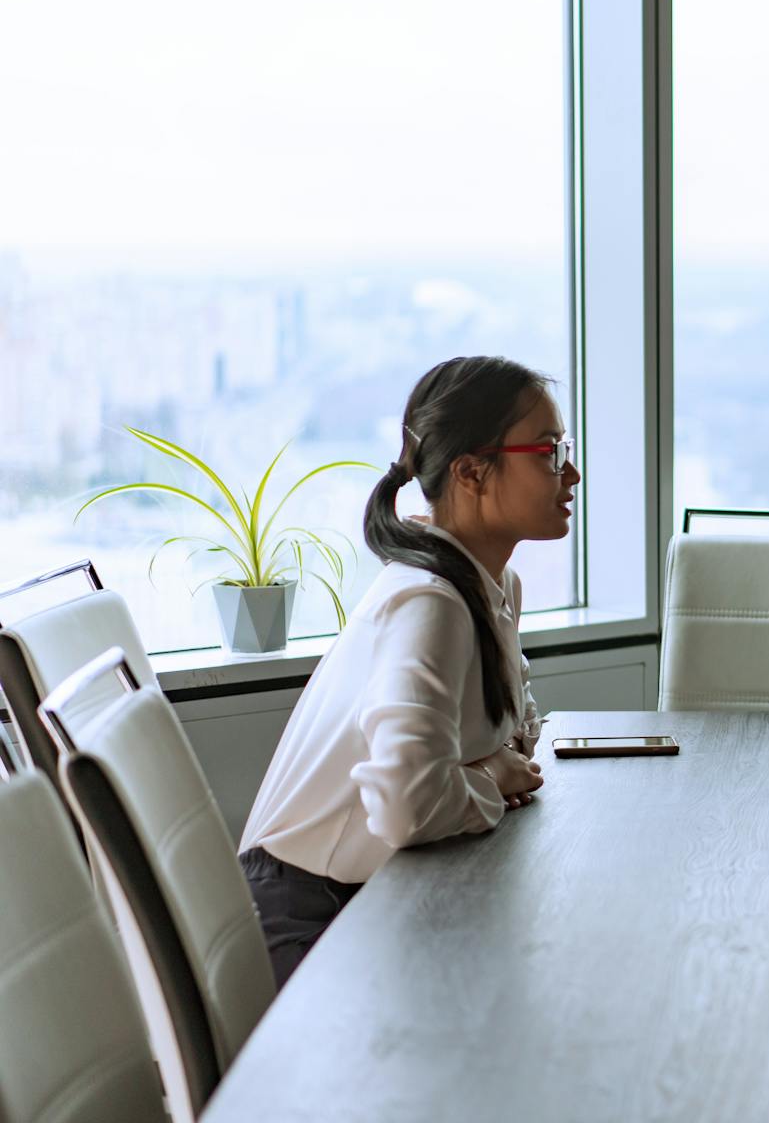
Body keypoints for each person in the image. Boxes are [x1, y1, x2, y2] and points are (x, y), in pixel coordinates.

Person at [237, 356, 579, 985]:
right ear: (471, 471)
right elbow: (407, 808)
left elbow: (513, 730)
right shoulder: (430, 602)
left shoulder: (489, 582)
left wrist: (491, 765)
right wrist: (493, 775)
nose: (571, 472)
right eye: (550, 453)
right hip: (309, 913)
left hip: (377, 888)